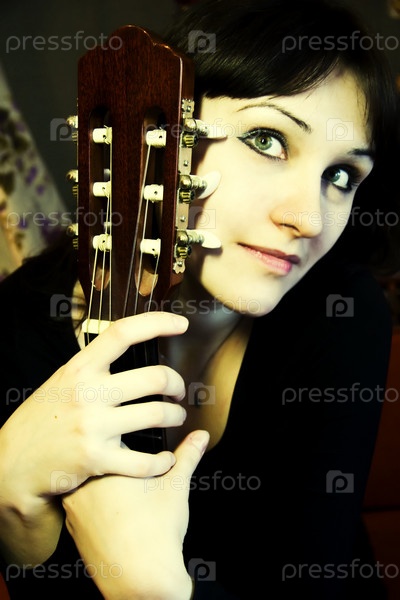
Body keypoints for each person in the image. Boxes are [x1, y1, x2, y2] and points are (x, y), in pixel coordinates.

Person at [0, 0, 399, 598]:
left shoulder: (341, 309)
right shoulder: (19, 323)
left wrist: (152, 586)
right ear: (159, 135)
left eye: (341, 176)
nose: (309, 218)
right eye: (267, 139)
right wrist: (14, 512)